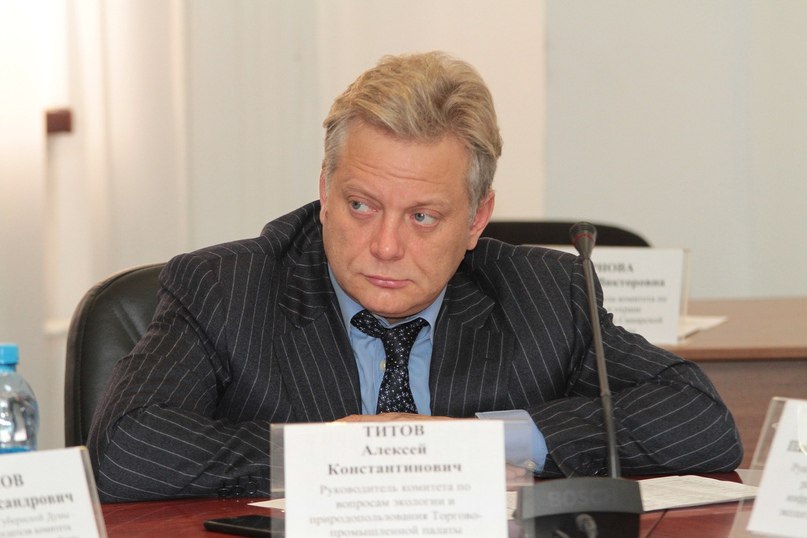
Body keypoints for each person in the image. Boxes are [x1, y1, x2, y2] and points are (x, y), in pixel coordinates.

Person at [87, 51, 742, 502]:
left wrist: (486, 445)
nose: (385, 245)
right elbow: (125, 451)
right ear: (324, 190)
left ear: (476, 218)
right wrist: (343, 455)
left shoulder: (544, 293)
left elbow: (699, 419)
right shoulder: (226, 288)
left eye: (423, 217)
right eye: (360, 205)